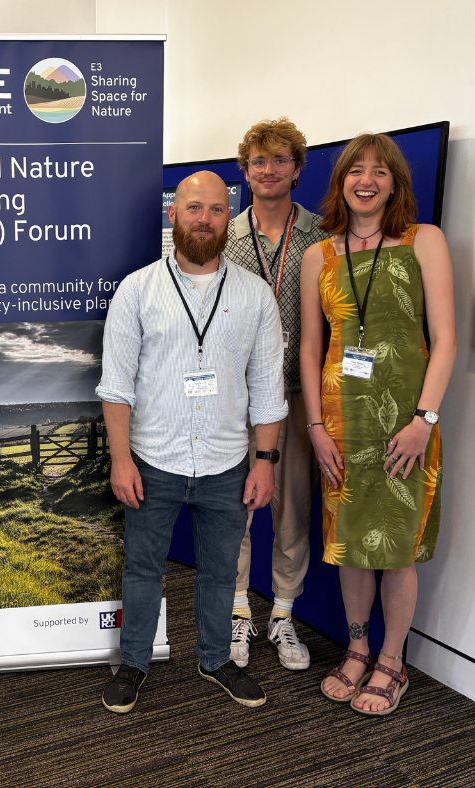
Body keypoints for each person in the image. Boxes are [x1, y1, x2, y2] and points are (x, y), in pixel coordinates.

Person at [97, 171, 287, 713]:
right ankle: (132, 662)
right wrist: (120, 460)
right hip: (153, 460)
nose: (204, 219)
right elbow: (116, 387)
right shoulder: (137, 290)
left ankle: (214, 658)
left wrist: (264, 462)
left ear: (231, 217)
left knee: (221, 570)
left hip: (229, 462)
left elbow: (268, 389)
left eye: (216, 210)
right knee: (142, 569)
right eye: (193, 208)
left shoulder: (254, 297)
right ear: (173, 214)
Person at [300, 133, 456, 716]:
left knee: (395, 545)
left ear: (395, 181)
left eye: (379, 171)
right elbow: (313, 349)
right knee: (350, 544)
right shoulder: (320, 254)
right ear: (341, 180)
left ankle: (393, 660)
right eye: (354, 170)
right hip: (341, 423)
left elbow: (445, 342)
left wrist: (424, 420)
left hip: (408, 425)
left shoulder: (425, 242)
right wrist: (314, 426)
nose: (366, 180)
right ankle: (358, 646)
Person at [223, 118, 329, 671]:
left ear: (296, 168)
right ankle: (238, 615)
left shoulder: (322, 234)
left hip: (297, 393)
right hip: (236, 400)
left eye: (279, 160)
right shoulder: (224, 235)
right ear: (245, 170)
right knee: (234, 509)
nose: (268, 170)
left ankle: (282, 615)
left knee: (292, 514)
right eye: (258, 161)